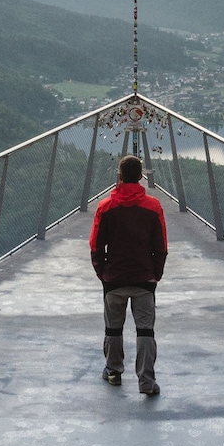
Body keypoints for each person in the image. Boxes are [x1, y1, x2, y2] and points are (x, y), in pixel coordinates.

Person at [89, 153, 167, 396]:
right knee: (145, 330)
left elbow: (95, 245)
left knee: (113, 328)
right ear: (141, 177)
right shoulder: (153, 207)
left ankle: (113, 372)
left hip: (115, 279)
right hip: (144, 278)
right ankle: (146, 381)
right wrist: (155, 274)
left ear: (120, 177)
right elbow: (161, 247)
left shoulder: (105, 207)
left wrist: (103, 273)